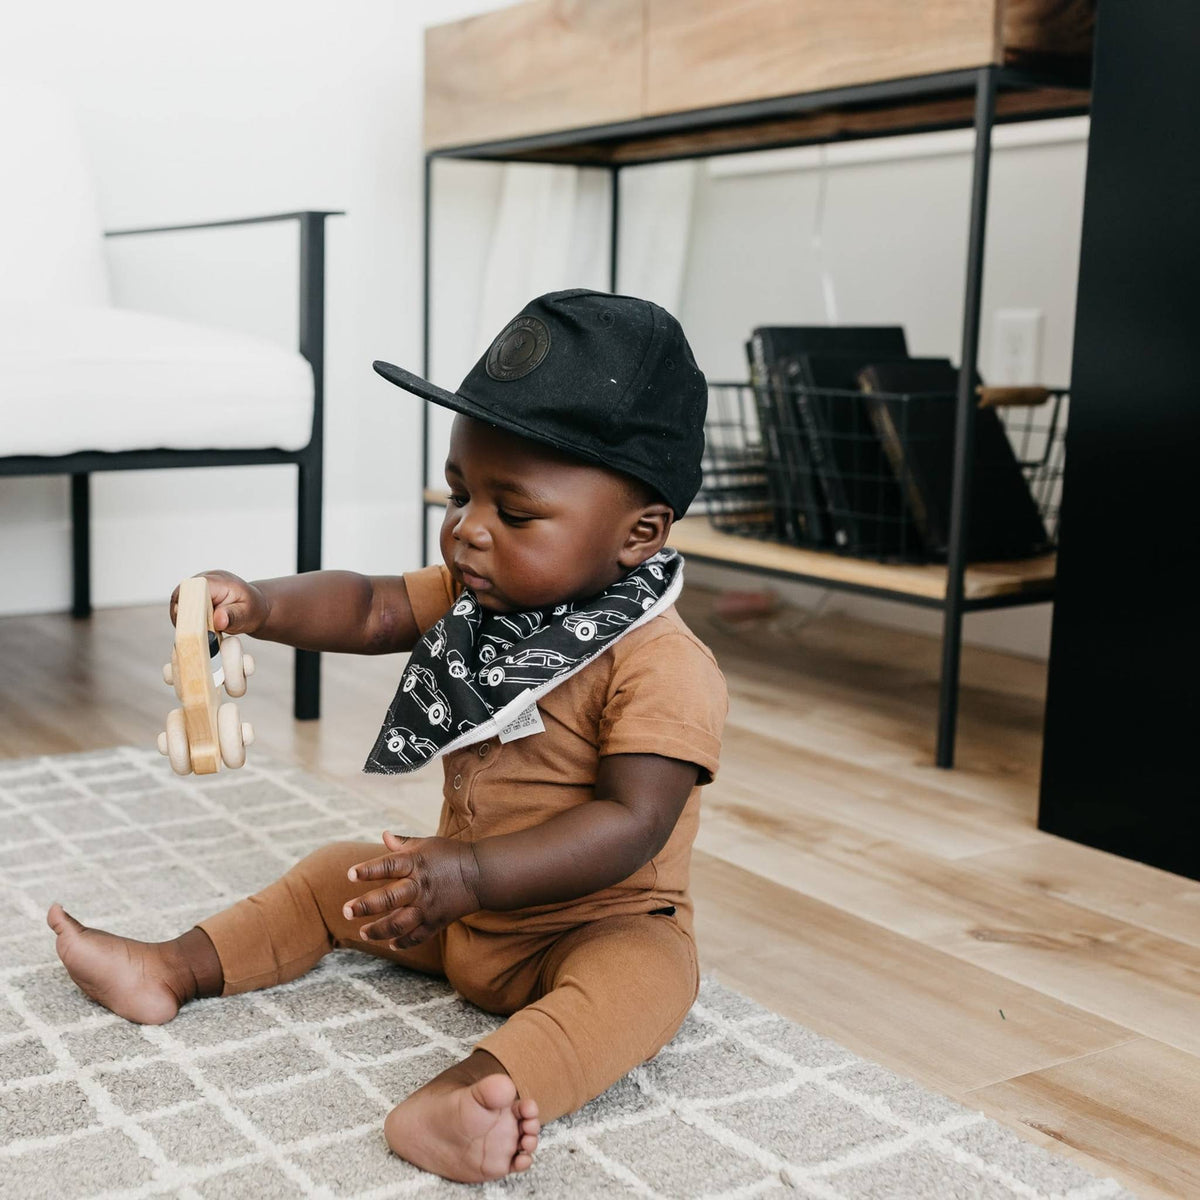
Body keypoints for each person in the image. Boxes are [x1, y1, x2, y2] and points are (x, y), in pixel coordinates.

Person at [46, 289, 728, 1184]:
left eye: (513, 513)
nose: (467, 530)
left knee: (646, 984)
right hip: (456, 906)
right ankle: (171, 968)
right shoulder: (482, 597)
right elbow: (368, 606)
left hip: (587, 924)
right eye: (459, 493)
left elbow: (633, 823)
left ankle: (467, 1095)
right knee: (337, 875)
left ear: (639, 535)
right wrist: (257, 601)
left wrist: (470, 874)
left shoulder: (662, 664)